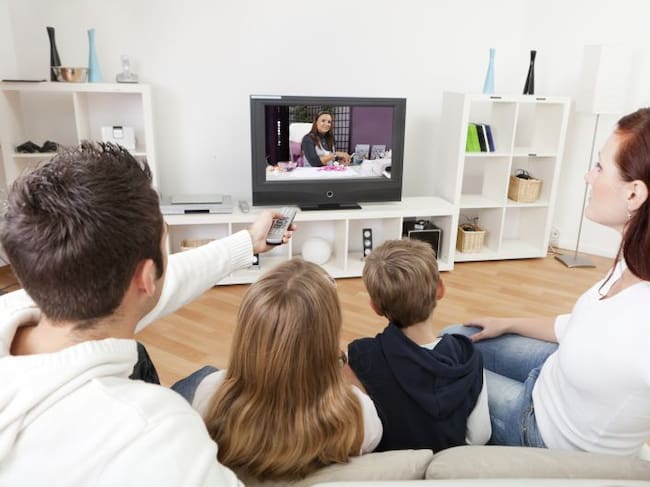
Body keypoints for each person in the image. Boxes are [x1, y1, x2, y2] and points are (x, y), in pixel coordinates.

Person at [0, 143, 294, 486]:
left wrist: (247, 241)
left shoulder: (26, 303)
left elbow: (167, 281)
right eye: (165, 241)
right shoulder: (158, 435)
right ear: (145, 277)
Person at [445, 107, 650, 457]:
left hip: (543, 432)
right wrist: (507, 322)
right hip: (552, 374)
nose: (588, 176)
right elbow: (579, 325)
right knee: (454, 338)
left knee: (439, 372)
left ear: (633, 194)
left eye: (599, 167)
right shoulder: (634, 258)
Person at [172, 258, 382, 481]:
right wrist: (339, 363)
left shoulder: (210, 394)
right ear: (327, 338)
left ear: (247, 333)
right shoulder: (360, 415)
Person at [346, 239, 490, 452]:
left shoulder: (359, 356)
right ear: (440, 289)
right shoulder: (468, 357)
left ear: (375, 307)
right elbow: (479, 437)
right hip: (448, 464)